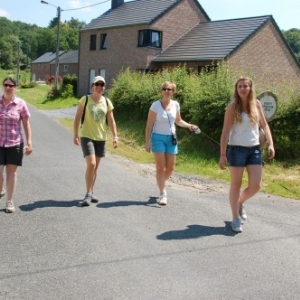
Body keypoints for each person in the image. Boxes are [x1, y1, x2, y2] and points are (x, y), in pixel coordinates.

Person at [219, 77, 275, 233]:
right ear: (236, 89)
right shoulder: (232, 107)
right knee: (235, 184)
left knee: (256, 185)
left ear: (250, 88)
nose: (242, 89)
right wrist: (223, 154)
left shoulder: (256, 104)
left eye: (245, 86)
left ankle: (239, 203)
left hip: (254, 149)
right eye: (240, 87)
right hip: (237, 149)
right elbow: (225, 132)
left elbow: (264, 125)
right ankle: (235, 218)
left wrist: (271, 144)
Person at [145, 81, 199, 206]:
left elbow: (178, 120)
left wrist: (189, 126)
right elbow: (148, 126)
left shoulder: (176, 104)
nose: (166, 91)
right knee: (160, 167)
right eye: (164, 89)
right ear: (162, 91)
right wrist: (147, 142)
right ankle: (163, 193)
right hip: (158, 137)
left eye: (169, 89)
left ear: (173, 92)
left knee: (170, 168)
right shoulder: (155, 105)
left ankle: (160, 181)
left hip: (171, 138)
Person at [73, 76, 118, 206]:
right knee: (91, 164)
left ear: (104, 87)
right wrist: (75, 134)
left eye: (101, 84)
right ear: (92, 86)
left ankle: (91, 191)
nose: (99, 87)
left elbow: (111, 120)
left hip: (101, 138)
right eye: (97, 84)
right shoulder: (85, 99)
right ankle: (87, 194)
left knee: (95, 167)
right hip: (87, 136)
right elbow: (77, 118)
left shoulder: (107, 102)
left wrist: (115, 136)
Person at [0, 76, 33, 213]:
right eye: (6, 85)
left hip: (15, 143)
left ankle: (9, 201)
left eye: (11, 86)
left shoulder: (21, 104)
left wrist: (29, 142)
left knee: (11, 173)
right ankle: (1, 187)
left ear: (15, 88)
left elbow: (26, 123)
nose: (8, 88)